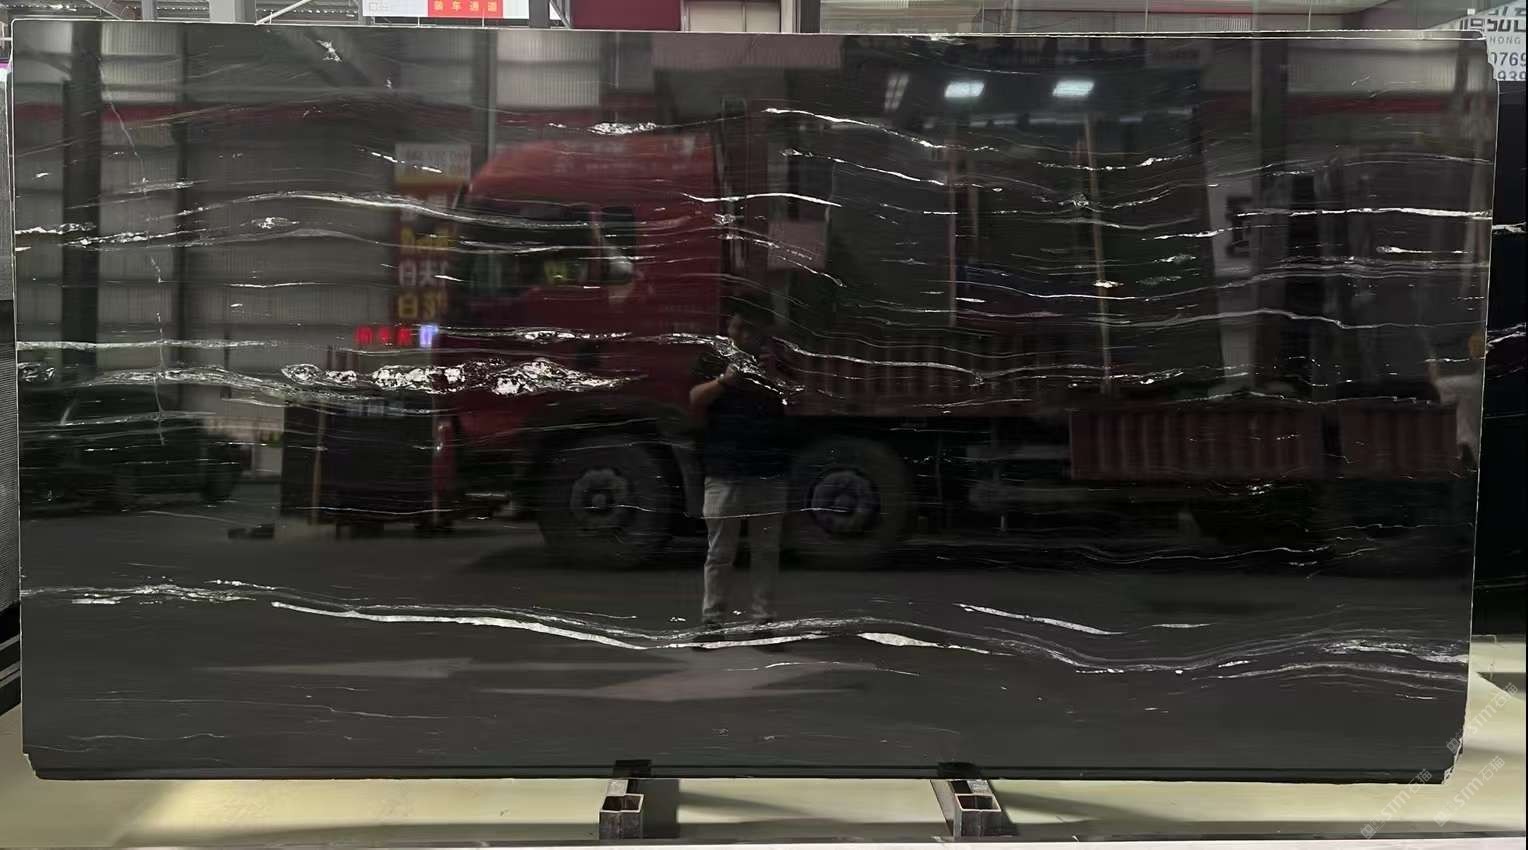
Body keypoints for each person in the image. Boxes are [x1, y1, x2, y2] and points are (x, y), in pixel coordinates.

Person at [689, 301, 791, 638]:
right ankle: (712, 622)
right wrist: (726, 380)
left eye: (750, 329)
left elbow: (798, 401)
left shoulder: (778, 359)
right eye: (737, 327)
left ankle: (763, 621)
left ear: (763, 332)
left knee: (766, 552)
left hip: (769, 470)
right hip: (724, 470)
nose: (742, 335)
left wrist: (772, 376)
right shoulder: (714, 357)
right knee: (719, 552)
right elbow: (695, 398)